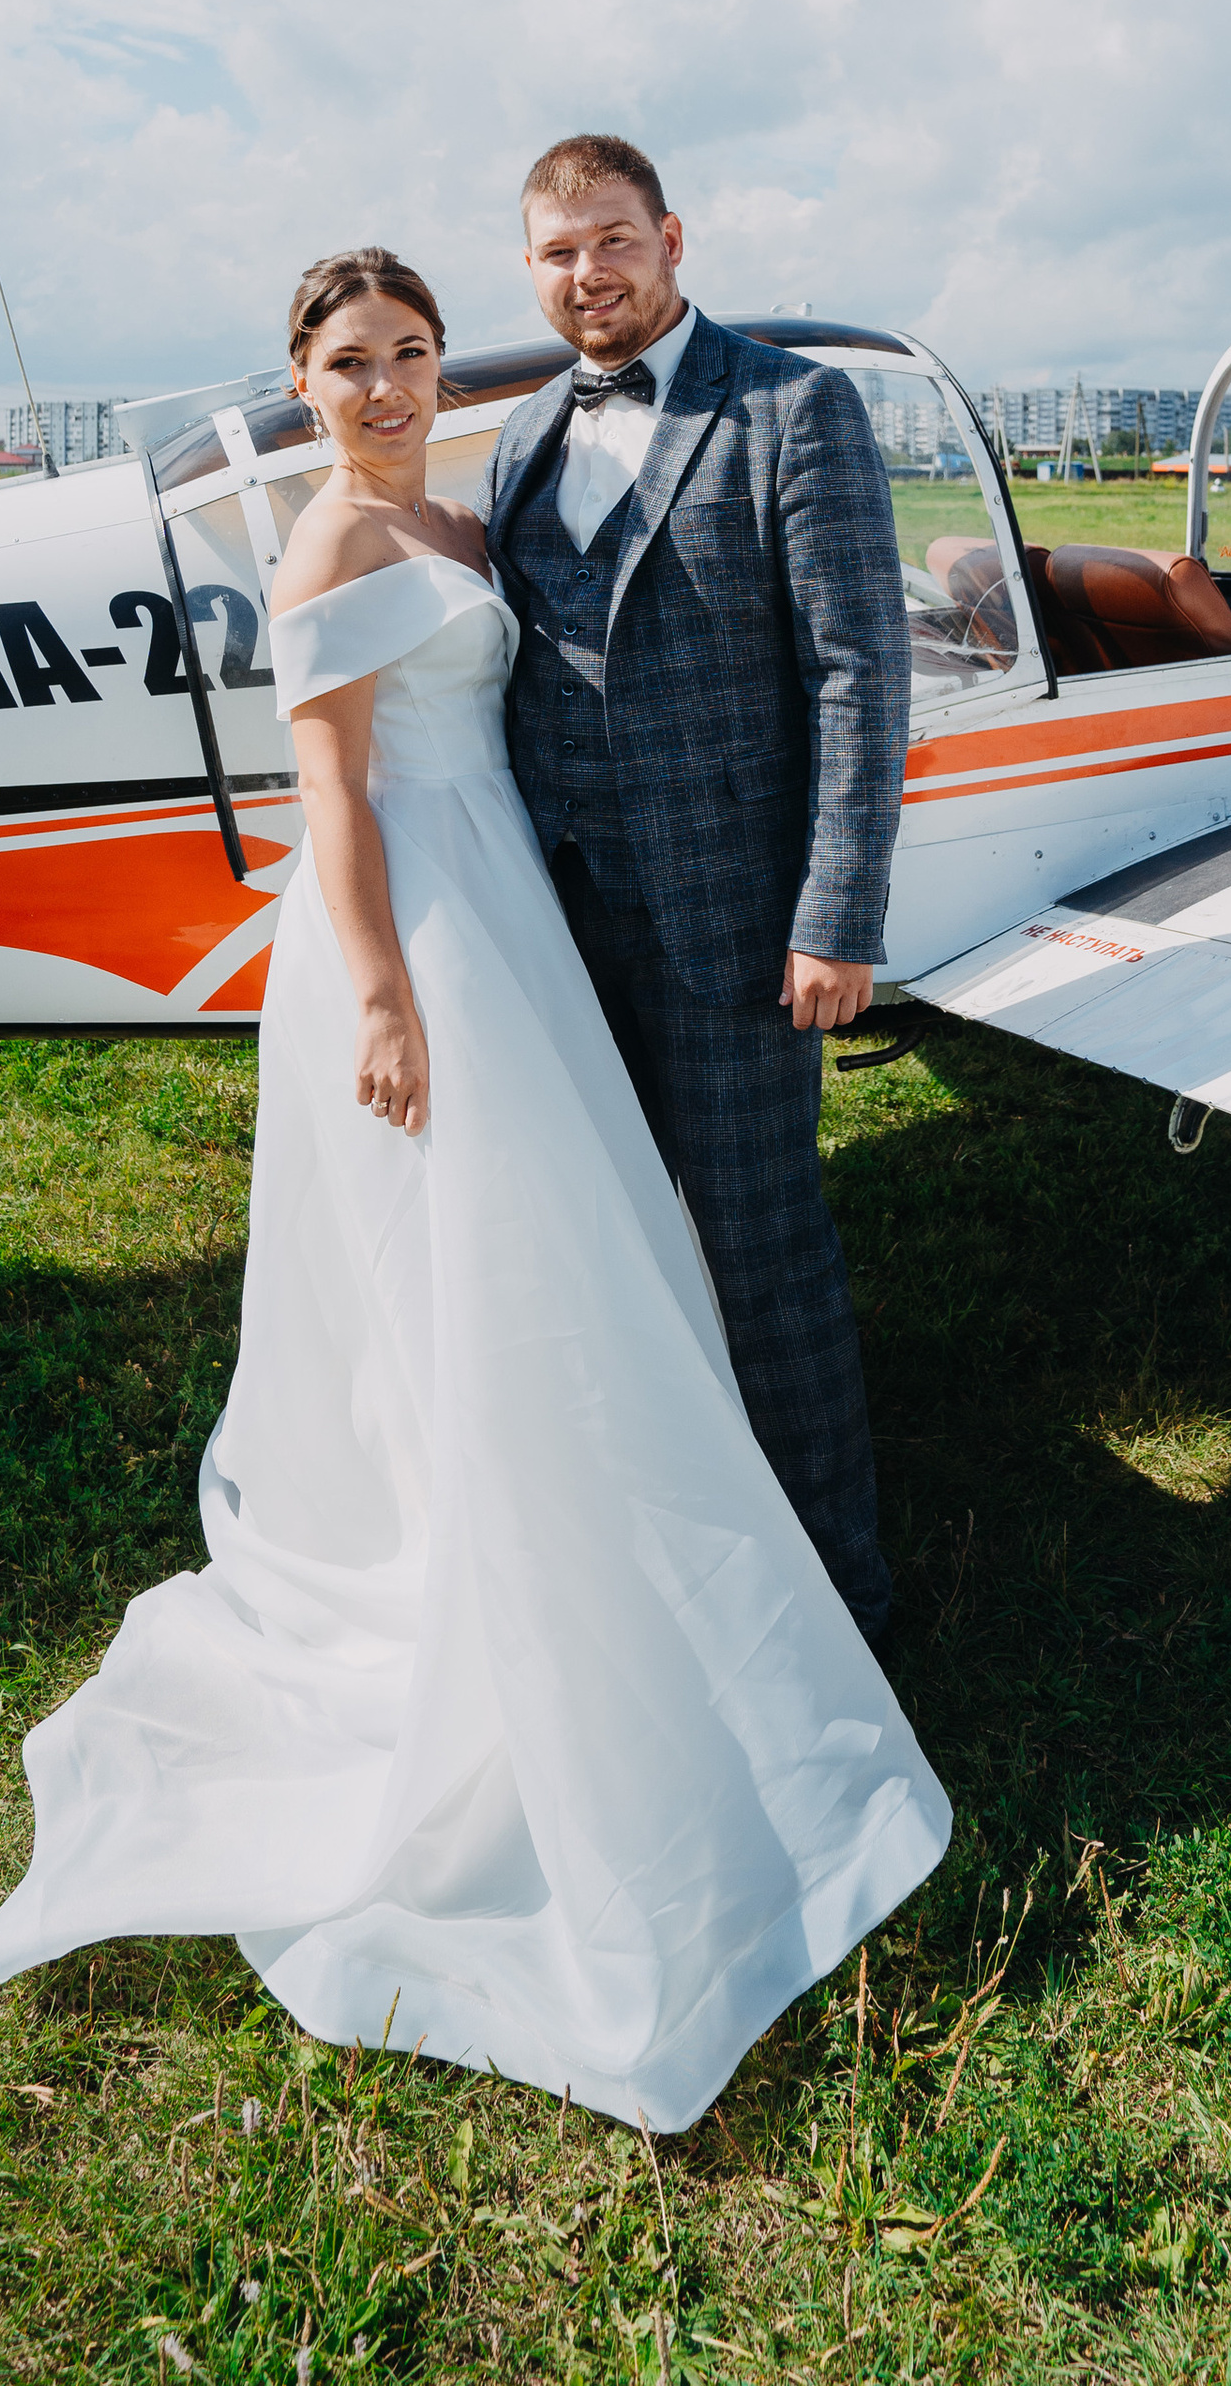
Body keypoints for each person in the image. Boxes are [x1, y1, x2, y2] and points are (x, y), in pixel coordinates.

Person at [0, 245, 946, 2130]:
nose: (388, 386)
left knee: (585, 1248)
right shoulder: (331, 549)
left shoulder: (461, 505)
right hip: (414, 937)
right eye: (350, 364)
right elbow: (332, 796)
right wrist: (392, 999)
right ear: (301, 380)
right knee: (482, 1267)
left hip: (514, 903)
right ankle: (495, 1586)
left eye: (412, 354)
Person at [481, 136, 912, 1641]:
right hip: (565, 918)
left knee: (763, 1252)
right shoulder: (524, 433)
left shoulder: (797, 409)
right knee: (613, 1253)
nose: (587, 273)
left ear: (672, 237)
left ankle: (841, 1599)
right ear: (529, 269)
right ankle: (671, 1566)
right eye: (556, 252)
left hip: (738, 923)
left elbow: (862, 672)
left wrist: (836, 913)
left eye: (612, 239)